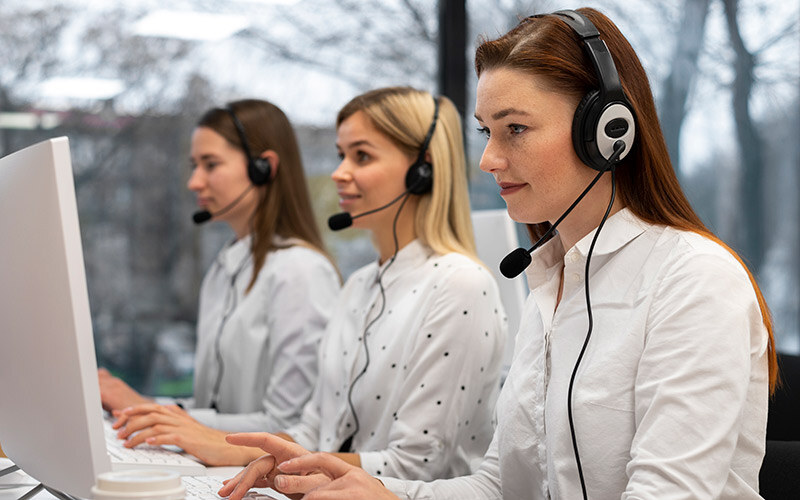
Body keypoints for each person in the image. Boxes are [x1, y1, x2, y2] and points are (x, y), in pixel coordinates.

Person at [218, 8, 778, 500]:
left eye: (515, 129)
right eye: (487, 130)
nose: (488, 159)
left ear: (607, 132)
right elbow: (499, 487)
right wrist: (371, 489)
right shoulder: (550, 282)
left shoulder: (694, 280)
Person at [111, 87, 508, 476]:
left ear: (423, 171)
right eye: (341, 155)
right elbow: (312, 433)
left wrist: (225, 445)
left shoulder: (460, 285)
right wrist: (252, 458)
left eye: (361, 156)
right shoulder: (359, 285)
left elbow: (416, 466)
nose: (338, 173)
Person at [98, 98, 340, 435]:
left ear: (263, 168)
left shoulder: (301, 272)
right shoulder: (223, 269)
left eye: (210, 165)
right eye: (194, 165)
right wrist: (146, 410)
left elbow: (290, 425)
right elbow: (215, 410)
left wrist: (152, 411)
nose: (194, 182)